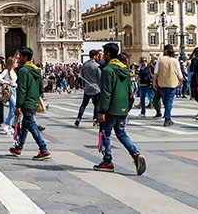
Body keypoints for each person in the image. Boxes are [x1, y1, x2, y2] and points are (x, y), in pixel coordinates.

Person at [94, 42, 146, 175]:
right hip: (122, 109)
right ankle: (136, 154)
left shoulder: (108, 70)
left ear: (108, 54)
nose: (103, 56)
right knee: (121, 133)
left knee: (105, 133)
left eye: (104, 53)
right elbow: (130, 92)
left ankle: (107, 161)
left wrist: (102, 112)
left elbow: (106, 93)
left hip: (110, 109)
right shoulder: (125, 70)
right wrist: (126, 109)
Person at [9, 47, 50, 160]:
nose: (18, 58)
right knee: (26, 126)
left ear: (25, 57)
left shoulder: (23, 71)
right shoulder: (36, 69)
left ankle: (44, 149)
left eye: (20, 56)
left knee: (31, 126)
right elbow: (41, 88)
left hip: (27, 103)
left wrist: (18, 106)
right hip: (34, 101)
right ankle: (18, 147)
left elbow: (21, 90)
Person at [155, 44, 182, 126]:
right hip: (172, 83)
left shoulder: (160, 59)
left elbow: (155, 72)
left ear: (166, 51)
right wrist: (181, 83)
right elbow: (179, 74)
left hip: (162, 83)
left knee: (166, 101)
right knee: (169, 102)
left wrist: (154, 82)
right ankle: (167, 119)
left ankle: (168, 118)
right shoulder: (175, 60)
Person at [74, 50, 101, 127]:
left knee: (84, 104)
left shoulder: (84, 65)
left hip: (87, 88)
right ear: (95, 56)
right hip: (96, 88)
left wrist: (84, 86)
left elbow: (82, 76)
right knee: (97, 105)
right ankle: (95, 120)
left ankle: (79, 117)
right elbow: (100, 78)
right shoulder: (97, 66)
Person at [0, 56, 18, 133]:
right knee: (14, 107)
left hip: (14, 89)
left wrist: (15, 84)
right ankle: (6, 123)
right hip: (8, 90)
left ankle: (9, 126)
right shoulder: (6, 71)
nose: (17, 64)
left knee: (12, 109)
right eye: (16, 62)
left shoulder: (13, 71)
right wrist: (6, 82)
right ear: (12, 63)